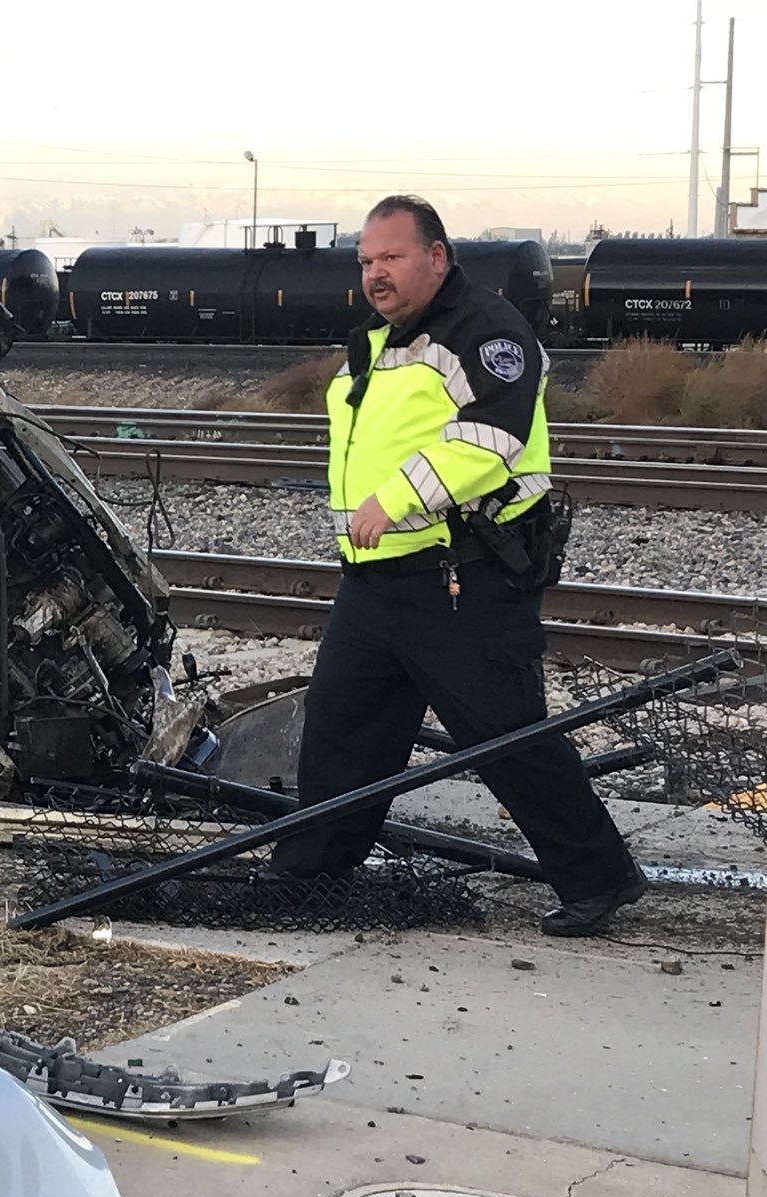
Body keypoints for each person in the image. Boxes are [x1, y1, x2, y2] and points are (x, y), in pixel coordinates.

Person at [268, 195, 643, 937]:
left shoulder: (487, 331)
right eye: (366, 261)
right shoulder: (376, 340)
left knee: (507, 738)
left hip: (462, 580)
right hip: (375, 581)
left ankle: (599, 878)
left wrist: (395, 498)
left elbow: (489, 440)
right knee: (342, 734)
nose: (375, 274)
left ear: (437, 256)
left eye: (391, 257)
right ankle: (311, 877)